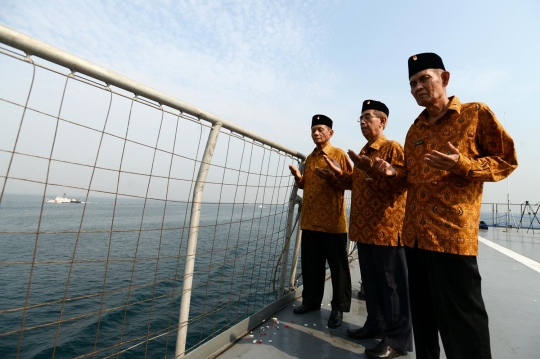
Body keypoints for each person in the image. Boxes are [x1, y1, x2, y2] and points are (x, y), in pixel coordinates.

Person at [373, 53, 518, 359]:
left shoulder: (474, 113)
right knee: (425, 322)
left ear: (445, 78)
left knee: (464, 326)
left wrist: (462, 165)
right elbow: (410, 180)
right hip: (414, 238)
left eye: (424, 78)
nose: (417, 87)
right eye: (412, 83)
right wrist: (392, 173)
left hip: (452, 239)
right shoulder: (415, 131)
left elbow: (507, 160)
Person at [320, 100, 412, 359]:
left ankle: (397, 340)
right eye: (360, 118)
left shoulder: (391, 148)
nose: (362, 122)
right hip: (365, 230)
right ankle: (375, 325)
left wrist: (381, 170)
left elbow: (402, 182)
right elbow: (358, 184)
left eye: (368, 117)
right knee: (372, 283)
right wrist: (337, 175)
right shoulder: (364, 151)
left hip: (386, 228)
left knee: (392, 287)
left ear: (382, 122)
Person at [288, 114, 352, 328]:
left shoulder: (339, 154)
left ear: (330, 132)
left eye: (321, 129)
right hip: (310, 221)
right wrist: (299, 178)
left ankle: (338, 308)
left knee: (338, 269)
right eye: (313, 129)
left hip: (333, 224)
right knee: (311, 266)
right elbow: (307, 185)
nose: (316, 133)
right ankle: (311, 301)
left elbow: (350, 182)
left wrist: (332, 177)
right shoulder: (310, 158)